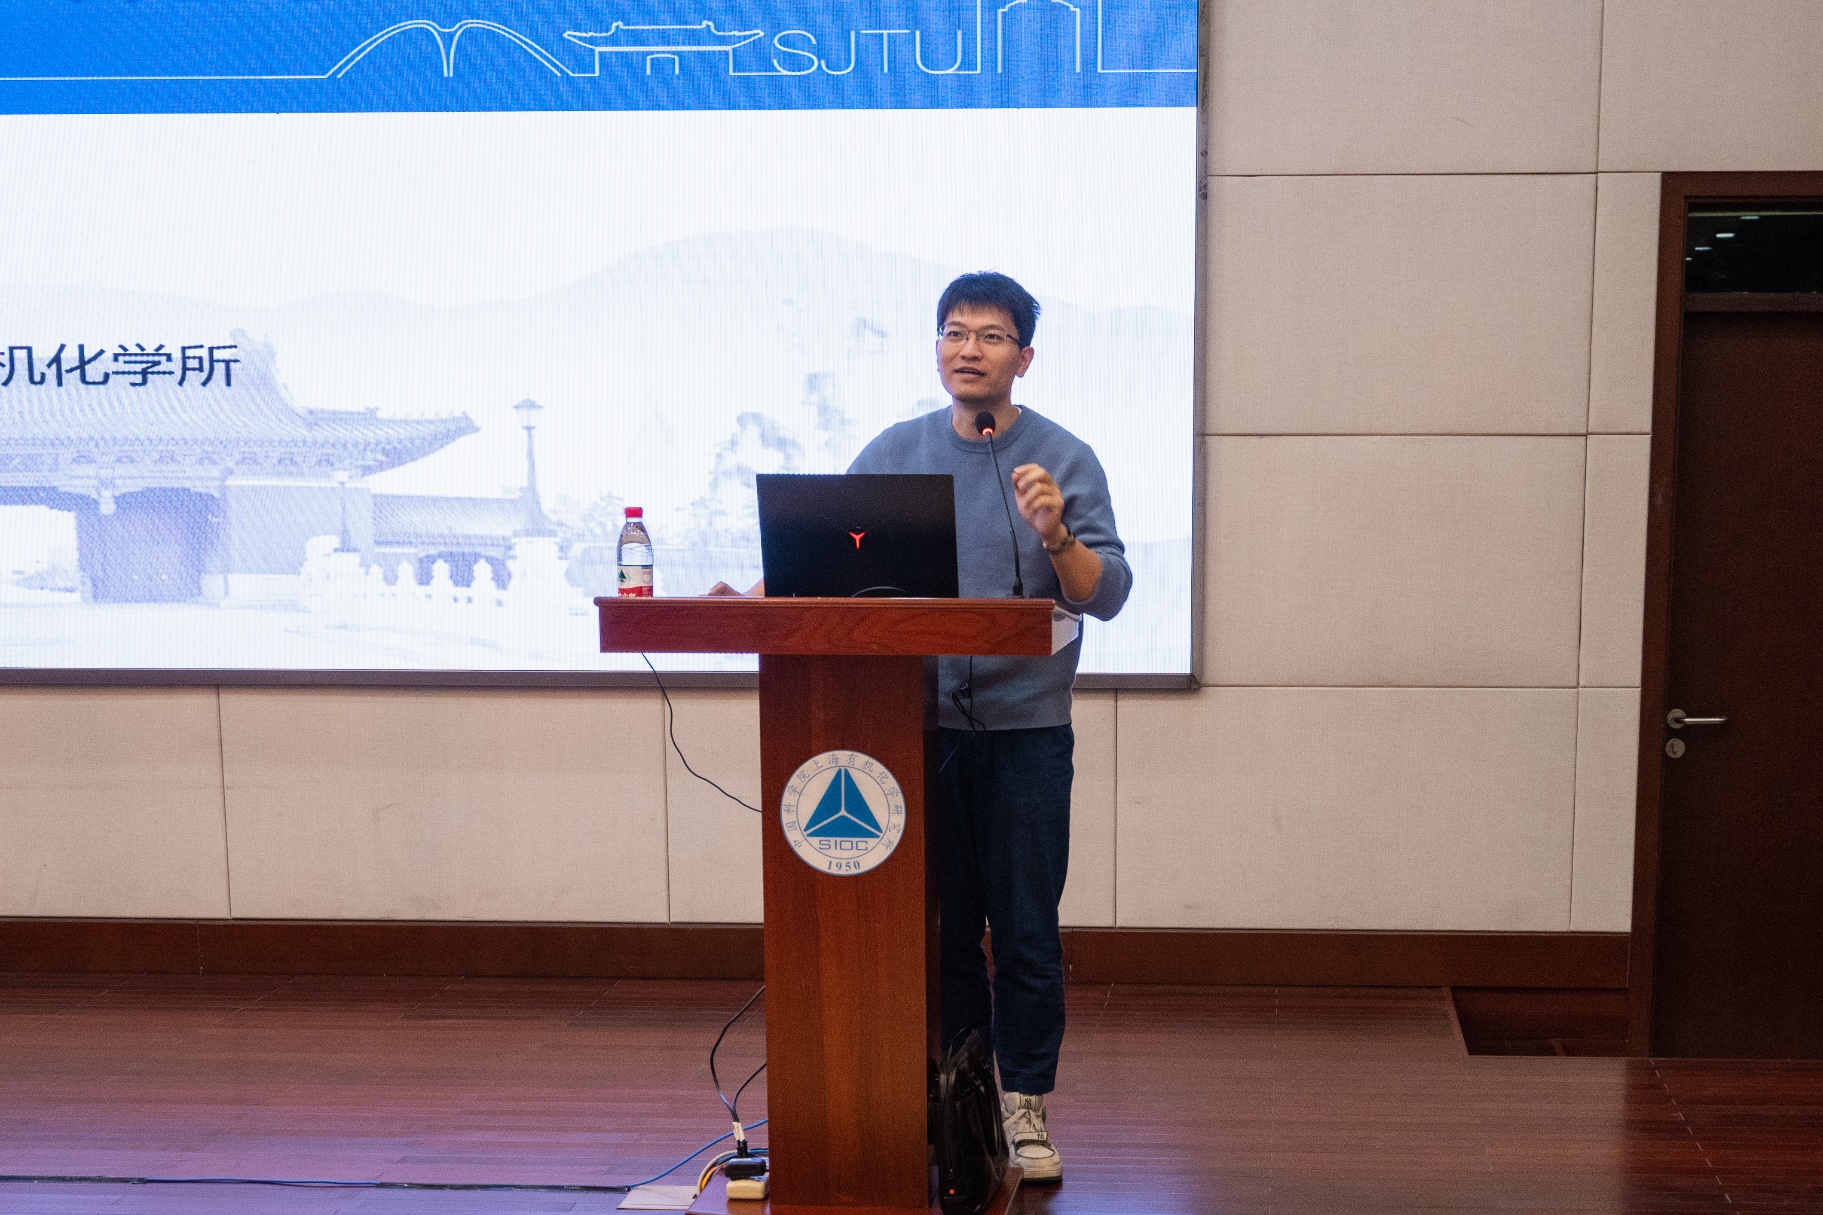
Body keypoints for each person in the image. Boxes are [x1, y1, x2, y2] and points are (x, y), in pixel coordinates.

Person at [845, 271, 1132, 1184]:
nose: (967, 348)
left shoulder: (1063, 457)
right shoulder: (893, 452)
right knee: (941, 932)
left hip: (1025, 735)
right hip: (917, 730)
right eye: (953, 331)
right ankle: (958, 1098)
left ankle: (1025, 1102)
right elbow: (825, 564)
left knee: (1024, 931)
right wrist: (757, 594)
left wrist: (1056, 534)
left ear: (1024, 357)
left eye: (990, 335)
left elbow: (1107, 594)